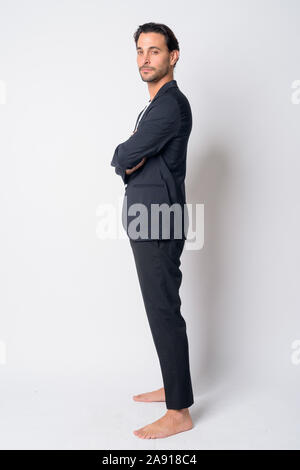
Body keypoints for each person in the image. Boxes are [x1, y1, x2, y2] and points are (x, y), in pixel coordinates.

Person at [111, 22, 194, 439]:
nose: (145, 58)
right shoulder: (155, 105)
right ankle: (173, 385)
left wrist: (126, 153)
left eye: (155, 51)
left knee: (162, 310)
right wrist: (132, 154)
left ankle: (179, 411)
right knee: (161, 308)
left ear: (172, 56)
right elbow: (134, 156)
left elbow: (126, 153)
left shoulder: (168, 105)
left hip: (158, 219)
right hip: (151, 217)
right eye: (140, 51)